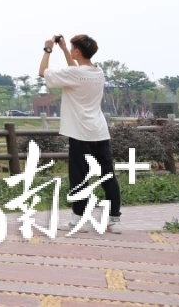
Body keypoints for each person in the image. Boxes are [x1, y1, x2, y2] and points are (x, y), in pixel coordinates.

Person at [39, 33, 121, 233]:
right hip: (100, 131)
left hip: (80, 132)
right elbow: (76, 71)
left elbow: (43, 72)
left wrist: (48, 49)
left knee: (79, 177)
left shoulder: (75, 75)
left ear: (78, 51)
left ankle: (78, 219)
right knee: (107, 175)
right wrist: (66, 49)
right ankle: (114, 218)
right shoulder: (98, 72)